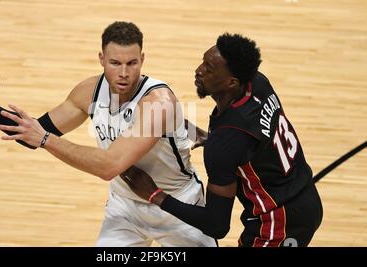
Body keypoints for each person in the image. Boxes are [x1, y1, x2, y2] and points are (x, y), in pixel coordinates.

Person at [0, 21, 216, 247]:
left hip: (176, 205)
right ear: (101, 59)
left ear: (142, 60)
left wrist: (45, 139)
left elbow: (108, 166)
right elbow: (31, 134)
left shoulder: (157, 102)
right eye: (115, 63)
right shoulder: (88, 92)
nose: (123, 73)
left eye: (131, 63)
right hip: (125, 207)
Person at [121, 33, 323, 247]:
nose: (199, 70)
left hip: (277, 222)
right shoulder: (257, 82)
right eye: (203, 61)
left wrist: (154, 194)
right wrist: (213, 140)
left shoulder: (226, 141)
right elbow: (254, 138)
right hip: (305, 196)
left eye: (209, 68)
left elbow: (216, 225)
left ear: (231, 82)